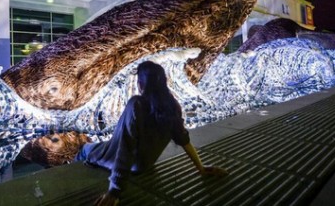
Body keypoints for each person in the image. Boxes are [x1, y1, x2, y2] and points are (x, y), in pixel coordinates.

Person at [73, 61, 228, 205]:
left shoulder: (136, 104)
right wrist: (200, 168)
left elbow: (125, 148)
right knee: (100, 146)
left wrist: (115, 191)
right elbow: (183, 138)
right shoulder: (172, 105)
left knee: (85, 149)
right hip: (144, 164)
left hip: (122, 161)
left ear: (140, 84)